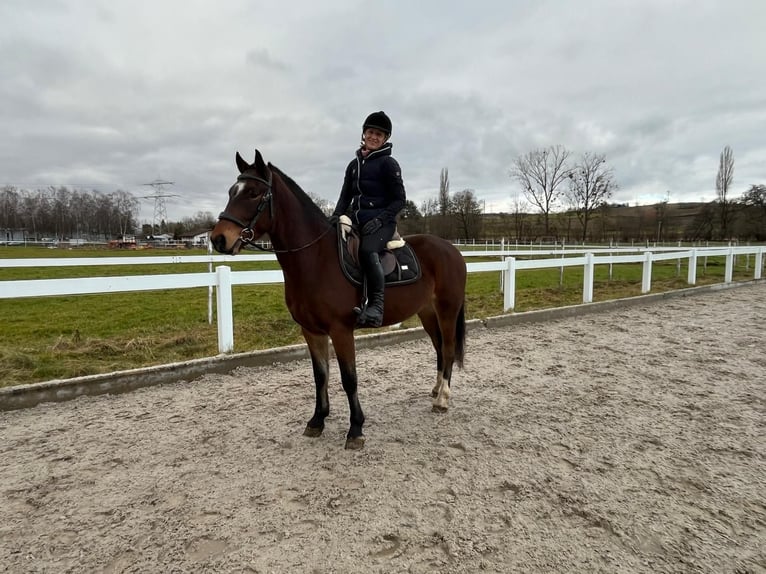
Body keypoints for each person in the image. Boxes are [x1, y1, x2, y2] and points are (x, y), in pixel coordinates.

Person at [331, 111, 406, 328]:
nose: (374, 137)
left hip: (382, 222)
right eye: (371, 132)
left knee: (366, 251)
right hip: (357, 220)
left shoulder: (389, 164)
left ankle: (376, 307)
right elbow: (345, 196)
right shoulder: (353, 165)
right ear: (364, 134)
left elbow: (400, 200)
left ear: (385, 139)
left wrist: (381, 220)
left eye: (379, 135)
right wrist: (336, 216)